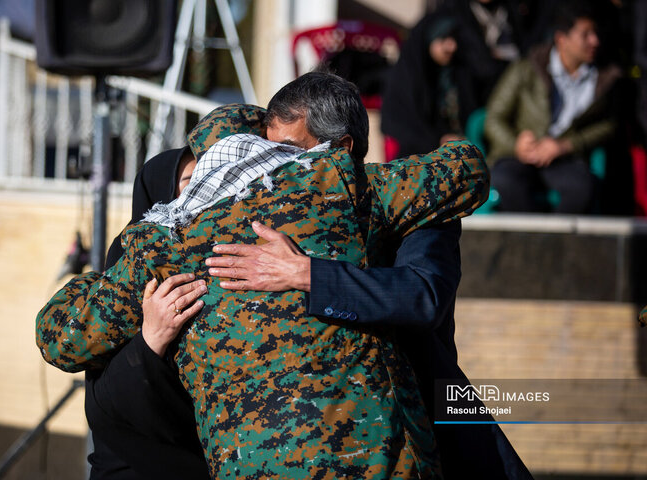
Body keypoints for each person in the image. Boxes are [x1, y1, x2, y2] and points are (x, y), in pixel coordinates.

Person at [37, 72, 490, 479]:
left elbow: (58, 334)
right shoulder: (342, 185)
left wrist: (307, 273)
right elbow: (466, 166)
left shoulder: (164, 240)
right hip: (380, 459)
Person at [484, 1, 622, 213]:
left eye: (595, 33)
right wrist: (516, 145)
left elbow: (609, 125)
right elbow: (494, 118)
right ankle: (527, 243)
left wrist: (567, 145)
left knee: (582, 188)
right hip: (520, 155)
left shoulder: (604, 77)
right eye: (585, 34)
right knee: (506, 182)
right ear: (561, 39)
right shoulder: (527, 69)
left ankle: (558, 245)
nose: (595, 41)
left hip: (564, 158)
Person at [381, 14, 478, 158]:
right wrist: (439, 140)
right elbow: (401, 126)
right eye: (444, 39)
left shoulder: (455, 73)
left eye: (454, 39)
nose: (452, 46)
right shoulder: (407, 78)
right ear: (429, 39)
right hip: (415, 160)